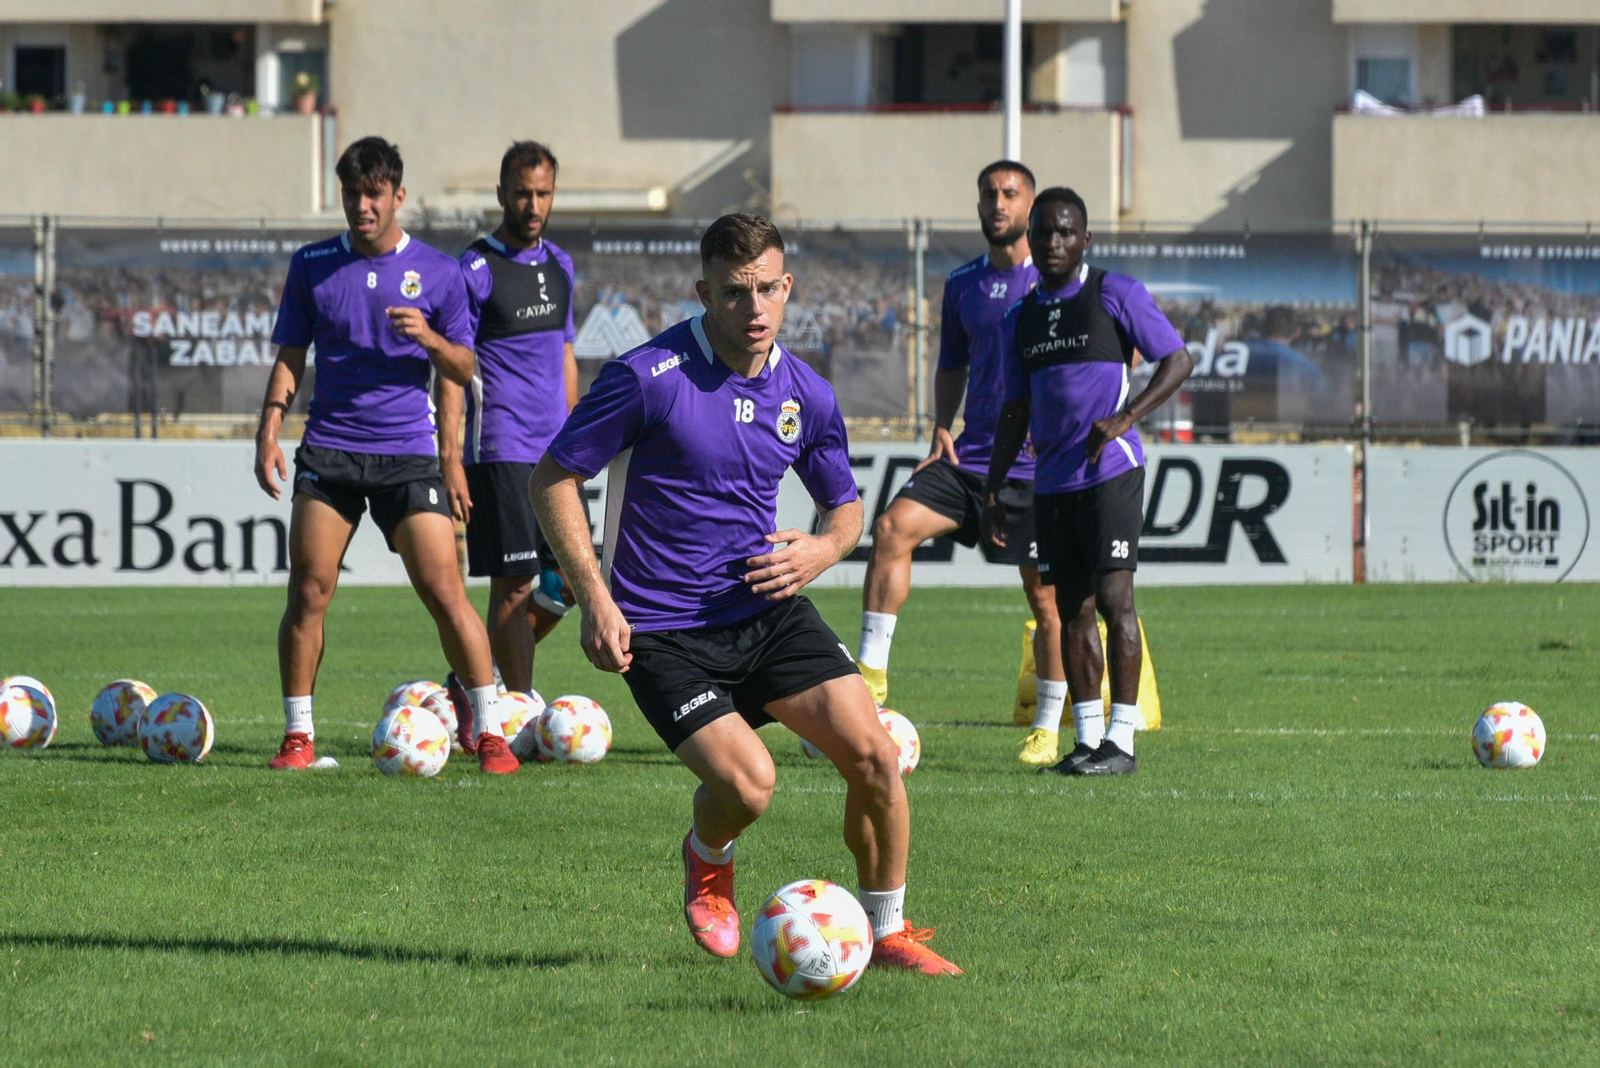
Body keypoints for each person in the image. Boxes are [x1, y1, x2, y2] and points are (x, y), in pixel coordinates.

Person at [529, 213, 961, 975]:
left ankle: (887, 932)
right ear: (704, 293)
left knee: (875, 757)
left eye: (766, 289)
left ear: (787, 287)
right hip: (662, 629)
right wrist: (596, 597)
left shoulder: (807, 394)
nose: (753, 309)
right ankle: (708, 855)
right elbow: (553, 478)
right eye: (734, 293)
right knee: (750, 784)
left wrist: (822, 550)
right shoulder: (646, 377)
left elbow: (846, 509)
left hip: (766, 611)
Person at [253, 135, 518, 775]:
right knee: (309, 591)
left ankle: (489, 731)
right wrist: (268, 430)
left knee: (443, 590)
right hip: (331, 454)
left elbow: (466, 362)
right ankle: (298, 737)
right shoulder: (312, 264)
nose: (362, 206)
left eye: (373, 194)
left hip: (407, 454)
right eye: (352, 194)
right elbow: (291, 353)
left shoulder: (439, 272)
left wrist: (427, 336)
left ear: (398, 196)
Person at [855, 160, 1068, 766]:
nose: (997, 204)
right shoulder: (963, 284)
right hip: (969, 457)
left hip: (1032, 470)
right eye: (988, 194)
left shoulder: (1056, 284)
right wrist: (941, 425)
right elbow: (952, 364)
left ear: (1032, 206)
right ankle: (871, 681)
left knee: (1046, 601)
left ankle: (1048, 726)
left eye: (1010, 194)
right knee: (893, 527)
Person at [982, 187, 1193, 777]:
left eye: (1065, 232)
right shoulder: (1018, 319)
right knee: (1071, 608)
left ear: (1086, 239)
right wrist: (994, 490)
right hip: (1051, 484)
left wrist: (1125, 419)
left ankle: (1121, 743)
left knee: (1116, 600)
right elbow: (1014, 411)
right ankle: (1088, 742)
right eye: (1044, 232)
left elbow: (1177, 360)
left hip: (1111, 473)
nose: (1053, 242)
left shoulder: (1114, 293)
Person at [435, 140, 580, 749]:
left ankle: (477, 679)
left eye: (543, 193)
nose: (533, 204)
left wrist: (580, 436)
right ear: (501, 194)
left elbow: (565, 352)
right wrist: (451, 458)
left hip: (556, 452)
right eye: (522, 193)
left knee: (572, 580)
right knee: (515, 586)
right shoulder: (474, 268)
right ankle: (516, 715)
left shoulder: (562, 266)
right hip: (502, 449)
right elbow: (453, 367)